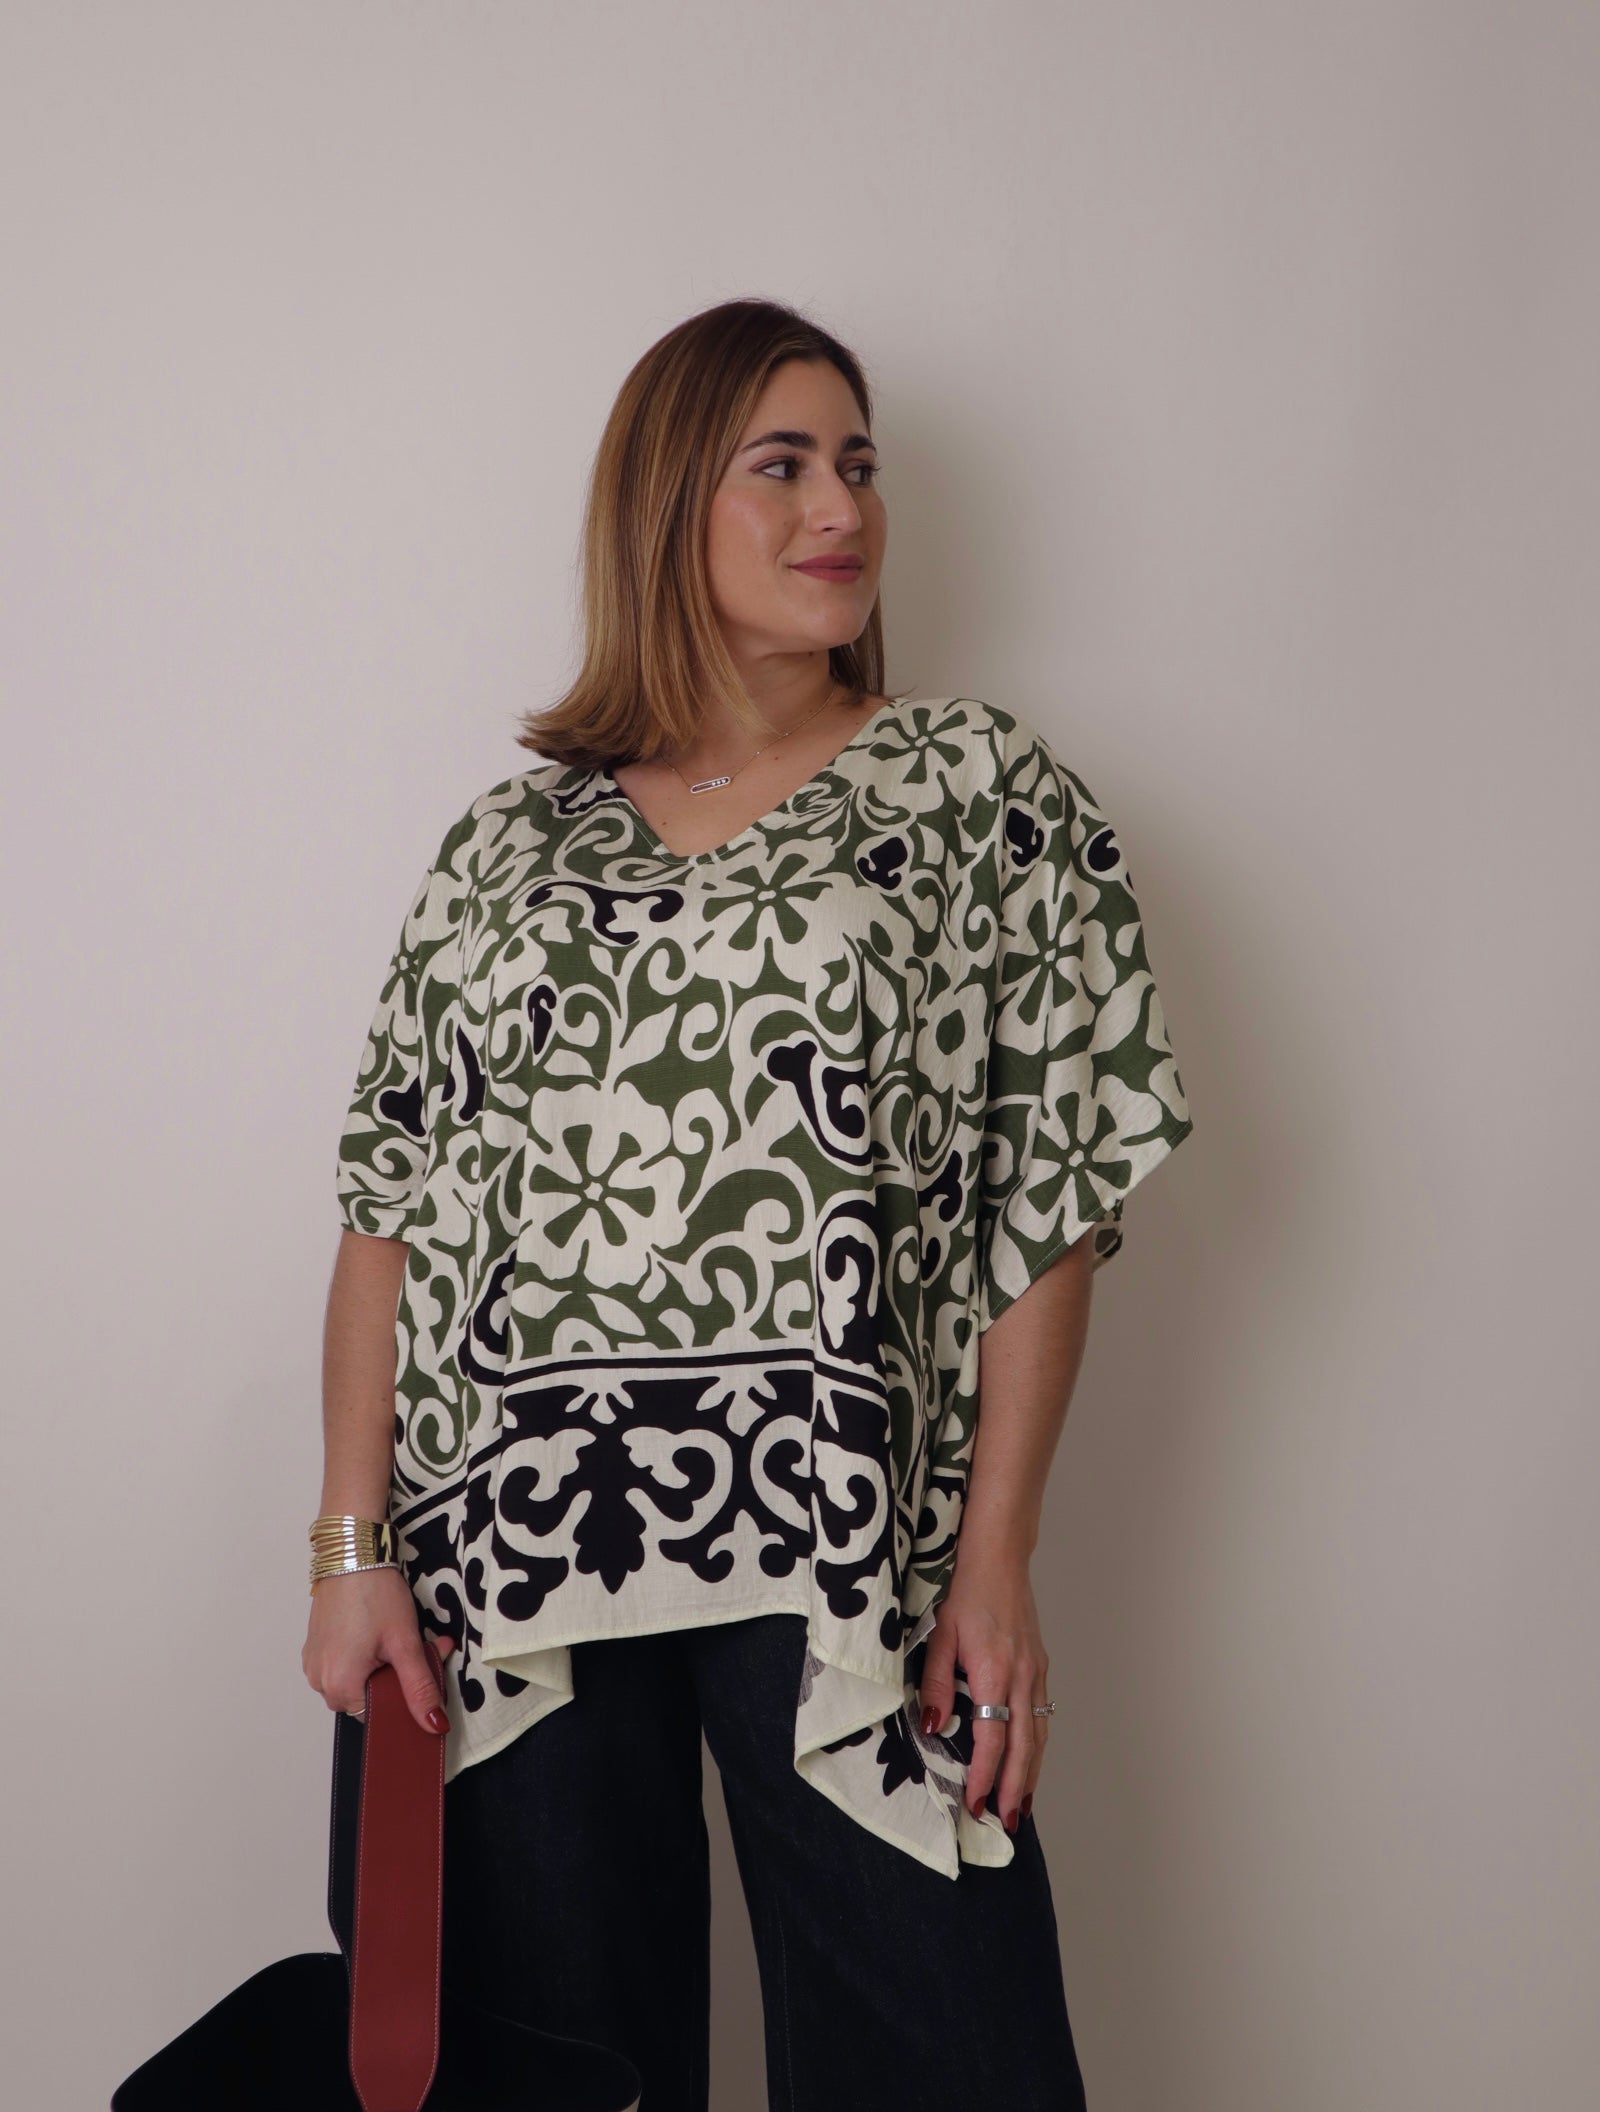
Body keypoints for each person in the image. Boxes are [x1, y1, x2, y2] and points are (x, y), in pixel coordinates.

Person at [302, 297, 1193, 2112]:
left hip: (842, 1525)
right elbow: (390, 1203)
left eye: (857, 464)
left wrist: (997, 1555)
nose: (839, 508)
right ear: (664, 503)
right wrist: (347, 1546)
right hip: (509, 1560)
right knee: (545, 2073)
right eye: (779, 466)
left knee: (951, 2049)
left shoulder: (977, 789)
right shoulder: (508, 846)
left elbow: (1052, 1183)